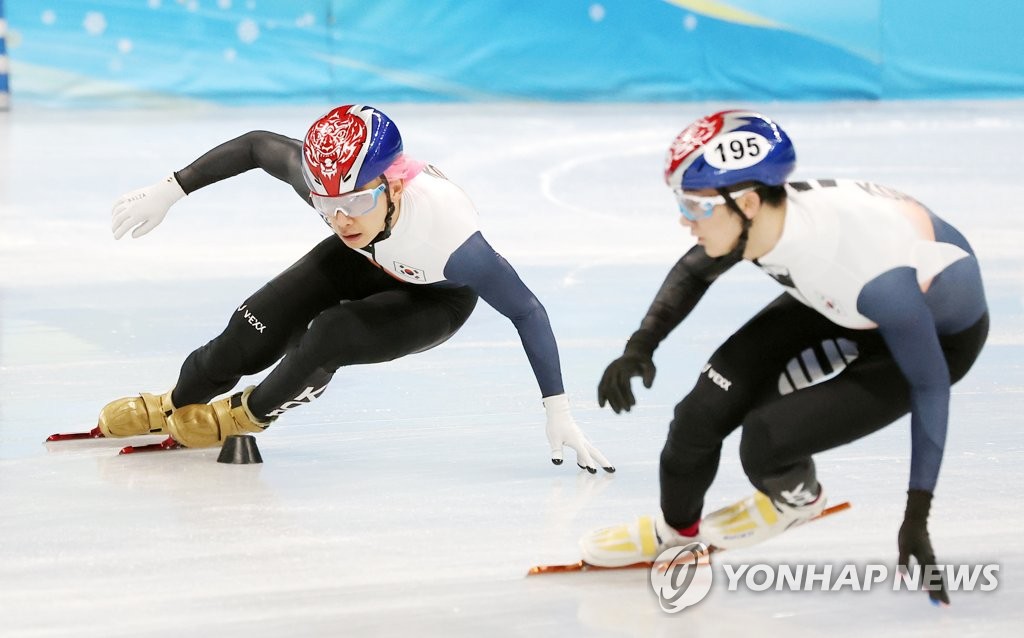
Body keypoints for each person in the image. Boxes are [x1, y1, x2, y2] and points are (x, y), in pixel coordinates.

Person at [579, 110, 987, 604]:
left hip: (929, 335)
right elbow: (693, 271)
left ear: (747, 202)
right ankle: (677, 536)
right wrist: (639, 347)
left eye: (694, 206)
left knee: (766, 441)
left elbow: (930, 385)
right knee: (697, 418)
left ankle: (799, 499)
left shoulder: (870, 272)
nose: (685, 221)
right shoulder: (761, 221)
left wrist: (916, 518)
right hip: (833, 300)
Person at [97, 104, 613, 473]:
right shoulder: (340, 196)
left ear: (393, 186)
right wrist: (170, 190)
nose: (341, 219)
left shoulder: (451, 235)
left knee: (329, 333)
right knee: (251, 328)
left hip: (434, 294)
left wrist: (558, 410)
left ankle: (246, 414)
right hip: (367, 260)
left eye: (356, 204)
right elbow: (257, 145)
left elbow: (527, 310)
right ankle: (177, 398)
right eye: (326, 206)